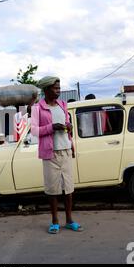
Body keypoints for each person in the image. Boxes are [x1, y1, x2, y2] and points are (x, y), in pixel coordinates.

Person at [32, 76, 83, 234]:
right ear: (46, 90)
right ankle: (55, 221)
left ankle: (69, 220)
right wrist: (51, 127)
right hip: (50, 153)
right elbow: (34, 131)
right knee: (52, 189)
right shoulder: (37, 108)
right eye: (55, 88)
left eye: (59, 88)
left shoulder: (63, 105)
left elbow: (67, 127)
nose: (58, 91)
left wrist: (69, 128)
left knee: (68, 188)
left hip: (66, 150)